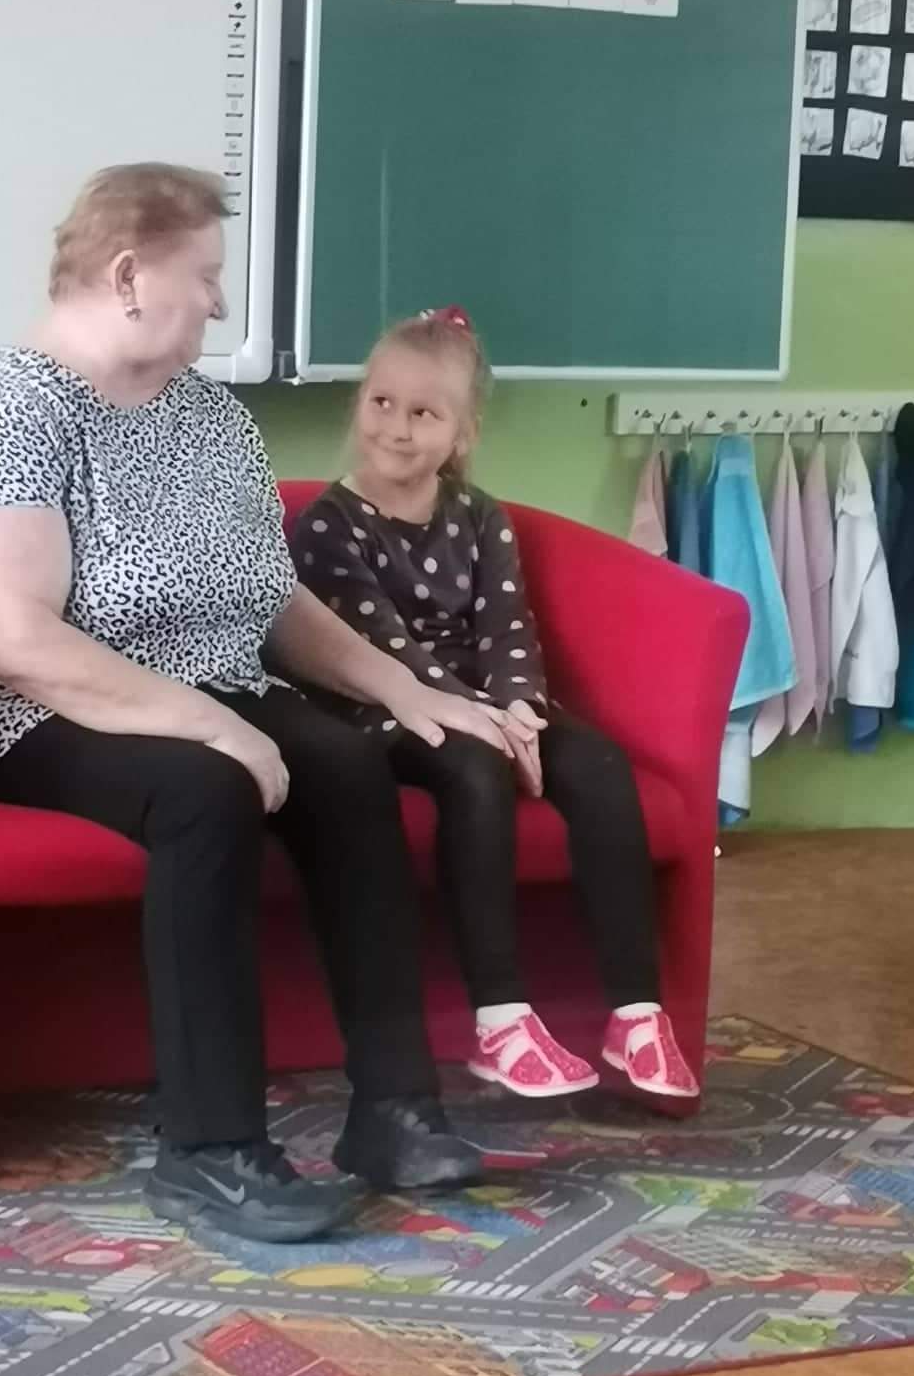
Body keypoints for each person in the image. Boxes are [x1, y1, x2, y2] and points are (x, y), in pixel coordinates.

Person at [0, 167, 516, 1244]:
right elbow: (18, 642)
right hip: (28, 710)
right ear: (129, 277)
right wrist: (213, 726)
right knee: (207, 790)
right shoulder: (8, 408)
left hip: (206, 682)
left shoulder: (211, 416)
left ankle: (394, 1109)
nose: (221, 302)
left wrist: (406, 688)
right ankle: (211, 1152)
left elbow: (272, 600)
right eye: (206, 276)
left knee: (348, 764)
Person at [291, 307, 697, 1103]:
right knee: (475, 767)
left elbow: (508, 628)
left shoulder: (480, 518)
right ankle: (500, 1021)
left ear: (463, 432)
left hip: (489, 704)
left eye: (423, 413)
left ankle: (636, 1011)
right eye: (381, 402)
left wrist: (520, 715)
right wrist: (482, 723)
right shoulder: (328, 527)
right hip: (387, 706)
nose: (396, 428)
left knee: (598, 762)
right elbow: (384, 653)